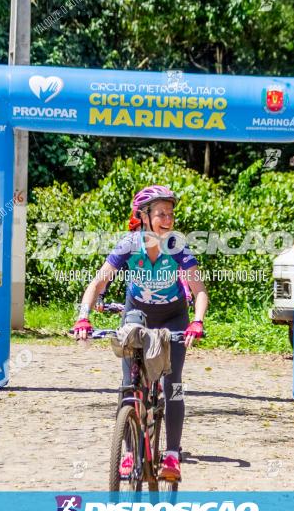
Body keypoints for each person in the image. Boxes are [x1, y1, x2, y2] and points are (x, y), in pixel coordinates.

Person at [73, 185, 208, 481]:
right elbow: (97, 284)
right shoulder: (129, 245)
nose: (168, 219)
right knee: (128, 384)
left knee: (173, 384)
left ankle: (172, 455)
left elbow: (199, 291)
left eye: (171, 214)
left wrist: (196, 322)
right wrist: (83, 317)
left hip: (173, 317)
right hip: (137, 315)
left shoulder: (177, 246)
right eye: (161, 214)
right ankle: (131, 451)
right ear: (144, 216)